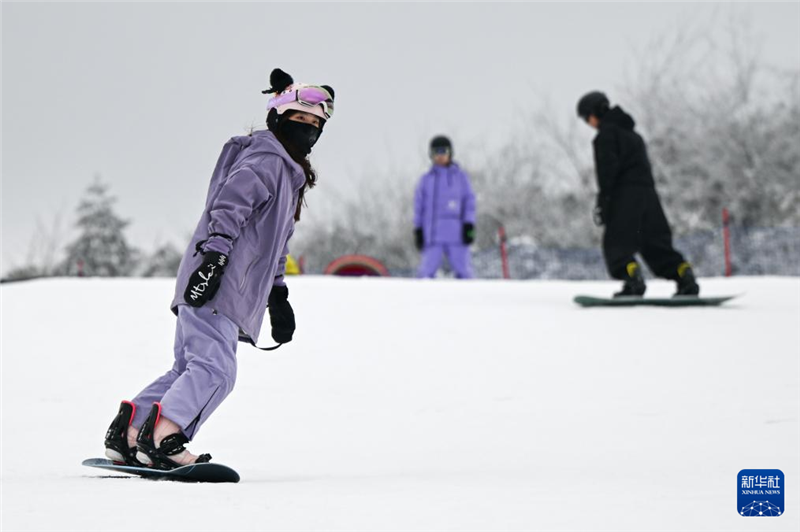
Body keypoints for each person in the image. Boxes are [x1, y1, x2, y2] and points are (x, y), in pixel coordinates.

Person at [103, 69, 335, 469]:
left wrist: (277, 295)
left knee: (190, 367)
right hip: (217, 280)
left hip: (225, 282)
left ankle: (130, 432)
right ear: (278, 121)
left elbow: (274, 242)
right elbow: (229, 205)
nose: (309, 130)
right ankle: (165, 437)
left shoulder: (286, 173)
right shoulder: (267, 160)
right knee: (216, 370)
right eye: (300, 121)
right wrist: (215, 257)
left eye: (316, 124)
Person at [577, 91, 700, 297]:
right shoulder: (634, 136)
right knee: (655, 243)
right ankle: (683, 275)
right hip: (649, 195)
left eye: (586, 118)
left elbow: (607, 173)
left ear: (594, 113)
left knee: (617, 244)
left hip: (624, 195)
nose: (588, 123)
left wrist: (604, 202)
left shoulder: (605, 136)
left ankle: (632, 279)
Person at [413, 136, 477, 279]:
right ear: (431, 155)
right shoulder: (426, 180)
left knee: (464, 272)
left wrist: (469, 226)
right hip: (433, 235)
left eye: (444, 151)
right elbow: (418, 207)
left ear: (450, 153)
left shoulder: (460, 178)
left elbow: (469, 202)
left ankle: (469, 299)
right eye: (436, 152)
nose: (440, 156)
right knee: (426, 273)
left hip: (456, 234)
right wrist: (418, 230)